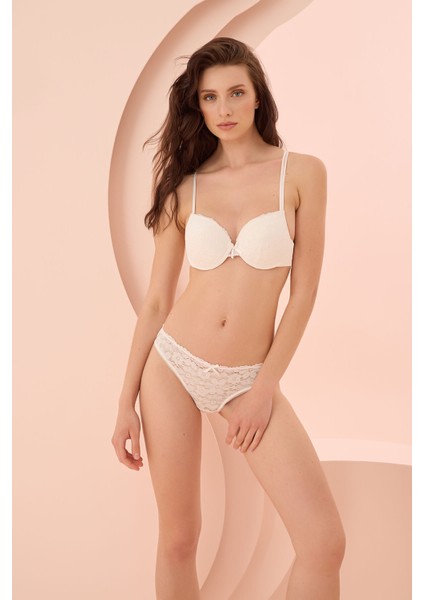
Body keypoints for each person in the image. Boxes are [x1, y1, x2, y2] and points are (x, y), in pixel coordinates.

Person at [111, 36, 346, 600]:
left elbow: (304, 293)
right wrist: (124, 403)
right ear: (197, 106)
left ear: (258, 96)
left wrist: (264, 388)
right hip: (171, 365)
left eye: (236, 93)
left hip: (247, 378)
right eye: (210, 97)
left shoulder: (302, 173)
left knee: (322, 542)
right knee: (179, 540)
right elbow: (157, 302)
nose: (224, 109)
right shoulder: (183, 188)